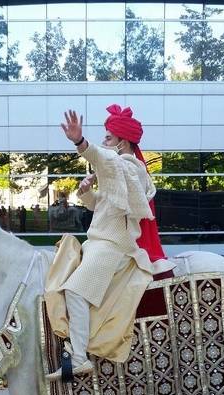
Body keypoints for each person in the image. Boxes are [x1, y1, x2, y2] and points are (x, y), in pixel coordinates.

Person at [45, 108, 173, 380]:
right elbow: (103, 206)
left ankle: (79, 359)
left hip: (112, 247)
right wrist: (88, 193)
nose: (104, 142)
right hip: (99, 243)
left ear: (122, 143)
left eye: (108, 137)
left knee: (76, 293)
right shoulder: (118, 172)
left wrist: (81, 143)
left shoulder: (128, 166)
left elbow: (105, 160)